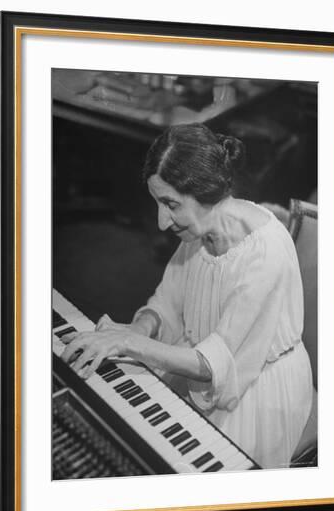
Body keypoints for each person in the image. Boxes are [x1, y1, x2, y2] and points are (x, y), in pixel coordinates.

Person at [61, 123, 313, 469]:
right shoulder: (199, 229)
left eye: (170, 205)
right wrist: (136, 330)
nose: (162, 222)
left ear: (204, 192)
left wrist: (127, 344)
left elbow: (213, 364)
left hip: (255, 392)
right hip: (200, 366)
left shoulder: (263, 251)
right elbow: (166, 302)